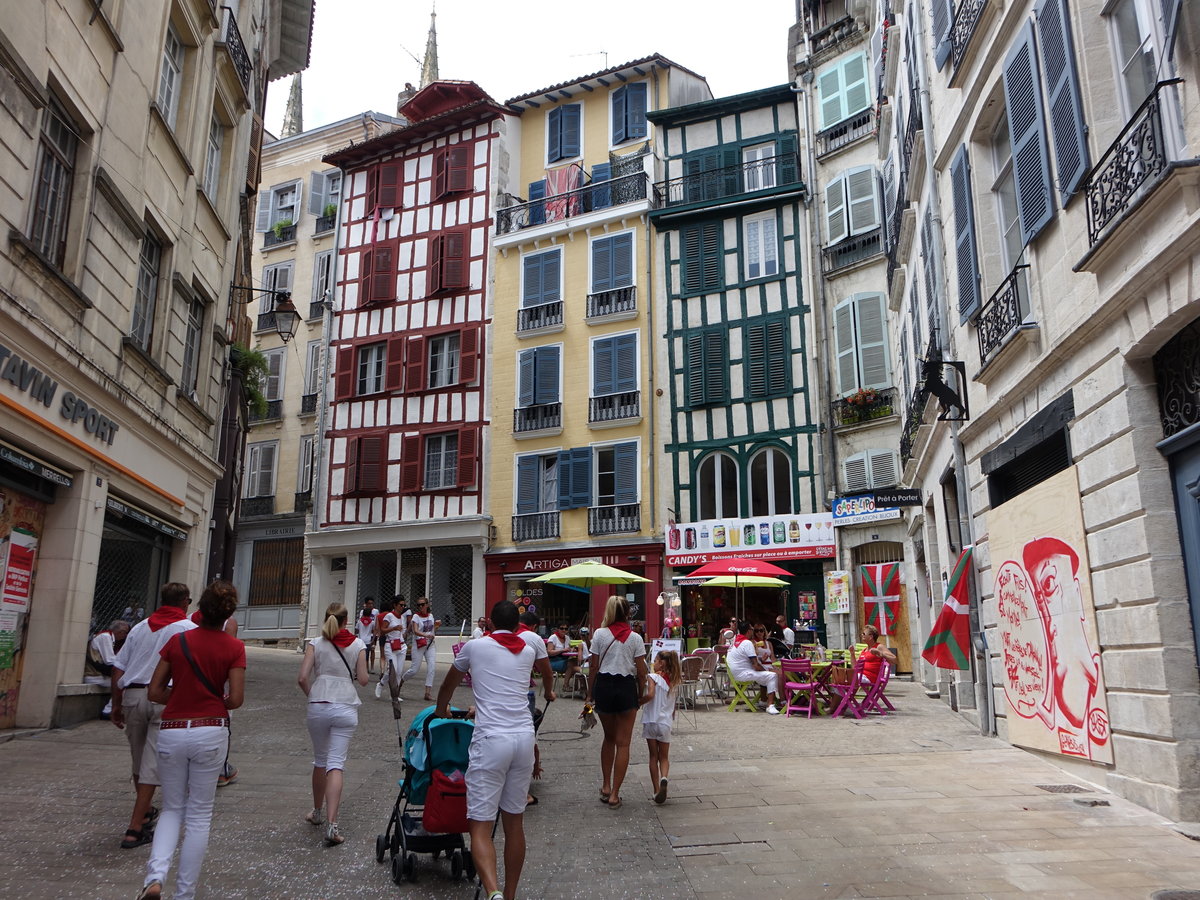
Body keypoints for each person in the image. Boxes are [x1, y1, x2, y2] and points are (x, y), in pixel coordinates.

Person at [435, 599, 554, 900]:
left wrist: (441, 709)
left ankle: (493, 892)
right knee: (514, 823)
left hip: (491, 740)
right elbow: (543, 673)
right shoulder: (527, 651)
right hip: (523, 739)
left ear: (488, 623)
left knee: (480, 826)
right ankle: (510, 894)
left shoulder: (475, 648)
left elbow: (449, 683)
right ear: (518, 626)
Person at [136, 581, 245, 900]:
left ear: (199, 607)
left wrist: (181, 695)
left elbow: (154, 691)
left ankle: (155, 877)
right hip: (210, 729)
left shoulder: (177, 640)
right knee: (199, 814)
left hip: (172, 729)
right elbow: (236, 699)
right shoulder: (233, 647)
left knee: (171, 808)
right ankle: (184, 894)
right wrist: (212, 699)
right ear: (228, 614)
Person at [111, 583, 197, 850]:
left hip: (133, 696)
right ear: (185, 602)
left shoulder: (139, 627)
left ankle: (145, 810)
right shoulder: (188, 629)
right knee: (151, 764)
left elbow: (119, 667)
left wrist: (115, 704)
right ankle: (135, 828)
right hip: (165, 699)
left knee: (139, 761)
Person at [298, 602, 369, 845]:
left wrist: (313, 694)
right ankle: (332, 824)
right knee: (336, 764)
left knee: (320, 760)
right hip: (346, 705)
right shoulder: (358, 644)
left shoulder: (315, 643)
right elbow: (363, 680)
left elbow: (302, 677)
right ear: (345, 621)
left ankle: (317, 812)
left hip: (319, 702)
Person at [585, 596, 648, 810]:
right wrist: (640, 694)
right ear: (627, 614)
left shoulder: (599, 635)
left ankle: (605, 785)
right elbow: (641, 671)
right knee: (624, 743)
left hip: (603, 685)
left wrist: (589, 695)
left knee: (609, 738)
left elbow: (593, 667)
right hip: (625, 687)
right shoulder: (635, 638)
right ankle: (615, 794)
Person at [641, 649, 681, 805]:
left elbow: (650, 695)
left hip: (651, 720)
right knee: (664, 757)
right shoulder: (674, 681)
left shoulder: (652, 677)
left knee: (653, 756)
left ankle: (656, 789)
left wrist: (639, 702)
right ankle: (664, 777)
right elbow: (674, 706)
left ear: (661, 663)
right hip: (665, 722)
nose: (653, 663)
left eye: (655, 660)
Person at [726, 620, 781, 714]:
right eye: (752, 629)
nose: (753, 631)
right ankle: (770, 705)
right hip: (743, 674)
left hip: (735, 674)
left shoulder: (735, 642)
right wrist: (766, 671)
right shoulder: (747, 643)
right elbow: (756, 665)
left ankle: (764, 701)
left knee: (766, 675)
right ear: (748, 631)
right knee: (772, 676)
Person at [85, 619, 129, 718]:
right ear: (120, 632)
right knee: (124, 683)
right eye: (125, 633)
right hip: (94, 675)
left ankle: (111, 709)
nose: (125, 636)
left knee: (123, 682)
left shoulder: (109, 638)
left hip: (100, 675)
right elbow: (109, 660)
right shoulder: (105, 637)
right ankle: (108, 711)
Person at [402, 597, 439, 702]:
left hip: (430, 645)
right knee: (414, 670)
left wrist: (436, 626)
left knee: (432, 668)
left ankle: (427, 693)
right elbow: (416, 631)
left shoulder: (431, 616)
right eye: (418, 605)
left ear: (427, 605)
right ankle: (401, 681)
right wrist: (426, 635)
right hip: (419, 644)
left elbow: (432, 630)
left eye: (422, 604)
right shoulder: (416, 617)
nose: (421, 607)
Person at [374, 598, 405, 702]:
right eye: (401, 605)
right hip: (390, 645)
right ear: (395, 605)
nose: (402, 607)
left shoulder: (402, 617)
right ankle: (381, 683)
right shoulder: (389, 616)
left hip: (401, 645)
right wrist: (393, 628)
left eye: (404, 605)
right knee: (393, 669)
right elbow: (382, 630)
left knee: (399, 671)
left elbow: (403, 631)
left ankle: (394, 695)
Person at [357, 598, 377, 673]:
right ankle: (367, 669)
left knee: (360, 655)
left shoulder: (359, 622)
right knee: (366, 656)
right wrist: (373, 639)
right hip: (368, 640)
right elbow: (374, 629)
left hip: (361, 640)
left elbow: (357, 629)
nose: (371, 605)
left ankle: (360, 670)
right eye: (369, 603)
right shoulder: (371, 622)